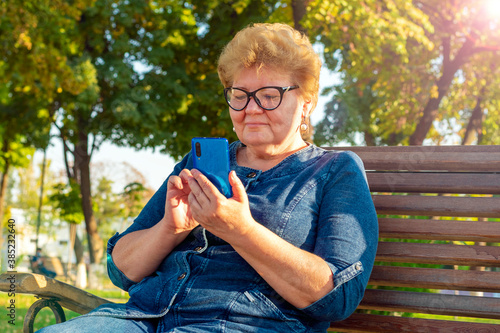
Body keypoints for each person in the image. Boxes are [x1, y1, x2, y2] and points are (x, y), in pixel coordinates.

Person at [38, 22, 378, 333]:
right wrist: (170, 229)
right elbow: (121, 271)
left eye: (270, 96)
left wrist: (241, 231)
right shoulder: (199, 162)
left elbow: (338, 297)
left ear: (305, 102)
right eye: (240, 95)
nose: (252, 108)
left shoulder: (335, 170)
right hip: (143, 319)